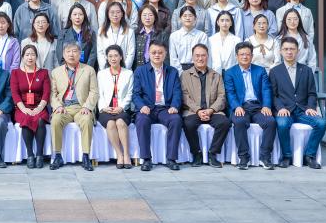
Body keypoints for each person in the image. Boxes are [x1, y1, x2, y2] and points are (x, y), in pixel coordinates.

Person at [270, 37, 325, 169]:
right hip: (285, 111)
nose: (289, 52)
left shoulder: (306, 70)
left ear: (297, 51)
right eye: (286, 49)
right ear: (281, 51)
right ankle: (286, 156)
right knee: (282, 124)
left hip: (302, 110)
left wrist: (311, 107)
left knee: (321, 123)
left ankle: (309, 156)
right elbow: (273, 95)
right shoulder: (275, 71)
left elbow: (312, 93)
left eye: (292, 49)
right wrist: (280, 108)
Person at [223, 42, 276, 170]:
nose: (245, 57)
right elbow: (230, 92)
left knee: (270, 122)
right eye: (242, 54)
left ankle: (265, 157)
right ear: (237, 56)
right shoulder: (230, 72)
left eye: (247, 54)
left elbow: (266, 89)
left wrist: (267, 105)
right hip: (241, 107)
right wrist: (236, 106)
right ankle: (244, 157)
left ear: (252, 56)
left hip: (258, 107)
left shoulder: (260, 70)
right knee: (239, 121)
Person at [132, 40, 183, 171]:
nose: (157, 55)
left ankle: (171, 159)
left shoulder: (172, 71)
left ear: (165, 54)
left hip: (165, 109)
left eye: (160, 52)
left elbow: (177, 92)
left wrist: (174, 106)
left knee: (176, 120)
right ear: (148, 54)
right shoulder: (140, 71)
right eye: (153, 52)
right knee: (141, 121)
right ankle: (146, 159)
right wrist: (141, 106)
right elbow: (136, 94)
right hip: (147, 108)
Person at [49, 42, 99, 171]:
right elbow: (52, 94)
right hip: (64, 108)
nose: (71, 54)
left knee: (87, 120)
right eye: (68, 51)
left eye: (74, 51)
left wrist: (87, 107)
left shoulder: (89, 70)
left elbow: (94, 92)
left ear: (80, 54)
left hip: (81, 107)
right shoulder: (56, 72)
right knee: (55, 120)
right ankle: (58, 156)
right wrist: (57, 106)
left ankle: (86, 156)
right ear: (63, 54)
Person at [180, 44, 230, 168]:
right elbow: (184, 96)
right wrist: (198, 110)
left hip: (213, 111)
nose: (200, 58)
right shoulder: (185, 75)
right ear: (192, 57)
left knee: (224, 123)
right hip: (193, 111)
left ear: (208, 57)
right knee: (188, 124)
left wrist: (211, 110)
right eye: (197, 55)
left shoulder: (216, 75)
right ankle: (196, 153)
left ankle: (213, 153)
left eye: (203, 55)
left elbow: (222, 96)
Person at [10, 45, 50, 169]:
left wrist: (39, 108)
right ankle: (30, 154)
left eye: (32, 54)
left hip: (39, 106)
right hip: (22, 107)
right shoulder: (15, 73)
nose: (30, 57)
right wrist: (24, 109)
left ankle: (39, 154)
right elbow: (15, 94)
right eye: (27, 54)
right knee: (26, 118)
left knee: (40, 120)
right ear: (22, 57)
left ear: (36, 56)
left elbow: (46, 93)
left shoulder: (43, 72)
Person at [97, 44, 133, 169]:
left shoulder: (128, 73)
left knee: (120, 122)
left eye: (116, 56)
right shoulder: (101, 74)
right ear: (107, 58)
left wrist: (122, 107)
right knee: (111, 124)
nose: (113, 58)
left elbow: (129, 94)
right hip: (106, 109)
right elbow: (99, 93)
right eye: (110, 56)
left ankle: (127, 154)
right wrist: (103, 107)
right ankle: (119, 154)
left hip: (122, 108)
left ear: (121, 57)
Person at [169, 5, 209, 74]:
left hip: (198, 70)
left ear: (195, 18)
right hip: (179, 70)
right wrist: (181, 73)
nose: (187, 18)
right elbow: (173, 58)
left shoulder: (202, 36)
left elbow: (203, 56)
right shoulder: (174, 36)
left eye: (190, 16)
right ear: (180, 19)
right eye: (185, 16)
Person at [97, 2, 135, 70]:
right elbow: (100, 53)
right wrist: (106, 70)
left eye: (118, 12)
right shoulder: (101, 30)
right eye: (112, 12)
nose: (115, 15)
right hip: (106, 70)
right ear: (107, 14)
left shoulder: (130, 32)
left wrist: (123, 69)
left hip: (124, 70)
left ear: (122, 14)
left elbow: (131, 54)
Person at [134, 4, 170, 69]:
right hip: (139, 69)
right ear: (140, 17)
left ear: (155, 17)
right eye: (144, 15)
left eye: (150, 15)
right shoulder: (135, 34)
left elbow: (166, 56)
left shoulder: (162, 34)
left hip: (157, 68)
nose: (147, 18)